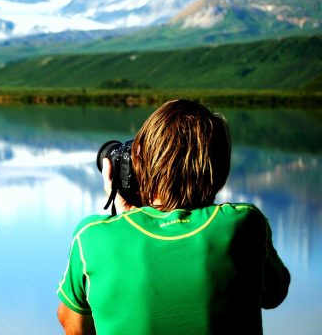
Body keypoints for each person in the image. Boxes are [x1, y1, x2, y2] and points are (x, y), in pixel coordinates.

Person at [56, 99, 290, 335]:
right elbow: (274, 294)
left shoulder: (92, 238)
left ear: (141, 164)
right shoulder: (245, 224)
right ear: (219, 166)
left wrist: (127, 215)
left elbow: (73, 327)